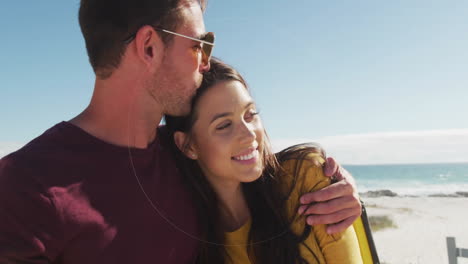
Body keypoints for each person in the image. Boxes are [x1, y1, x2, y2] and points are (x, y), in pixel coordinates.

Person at [0, 0, 361, 263]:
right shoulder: (27, 185)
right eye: (199, 45)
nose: (206, 62)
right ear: (149, 47)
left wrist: (339, 189)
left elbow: (258, 168)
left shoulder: (184, 154)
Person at [165, 58, 363, 263]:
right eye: (224, 125)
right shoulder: (191, 244)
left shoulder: (304, 179)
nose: (249, 134)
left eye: (250, 114)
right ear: (188, 145)